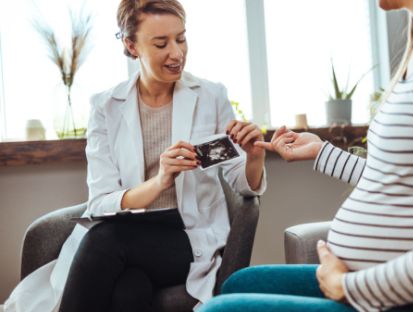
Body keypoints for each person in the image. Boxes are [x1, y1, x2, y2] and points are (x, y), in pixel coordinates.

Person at [199, 0, 413, 311]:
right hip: (399, 289)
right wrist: (321, 152)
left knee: (222, 309)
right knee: (241, 284)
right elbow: (403, 177)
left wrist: (348, 285)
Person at [3, 1, 266, 311]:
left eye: (181, 38)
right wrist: (160, 181)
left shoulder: (211, 96)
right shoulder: (106, 106)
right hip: (129, 230)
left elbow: (242, 184)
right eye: (161, 43)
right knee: (130, 291)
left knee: (106, 241)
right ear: (131, 45)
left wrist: (253, 157)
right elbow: (101, 200)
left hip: (187, 236)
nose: (177, 53)